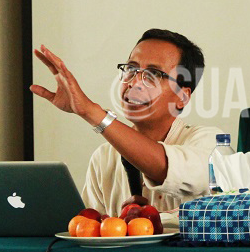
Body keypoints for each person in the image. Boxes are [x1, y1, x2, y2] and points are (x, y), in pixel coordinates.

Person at [31, 29, 222, 217]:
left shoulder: (211, 143)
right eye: (131, 69)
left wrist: (91, 112)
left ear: (182, 96)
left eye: (153, 74)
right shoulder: (104, 157)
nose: (134, 82)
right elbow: (88, 231)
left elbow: (165, 167)